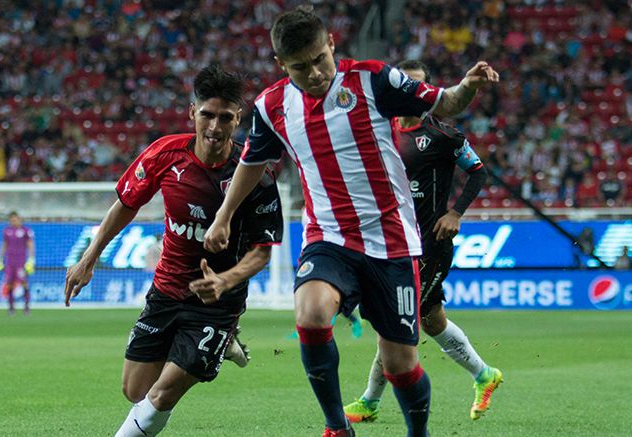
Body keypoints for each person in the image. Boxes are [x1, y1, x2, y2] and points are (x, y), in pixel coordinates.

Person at [203, 7, 499, 437]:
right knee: (310, 313)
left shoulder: (374, 78)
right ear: (281, 65)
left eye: (320, 59)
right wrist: (224, 216)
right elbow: (252, 161)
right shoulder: (271, 106)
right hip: (329, 237)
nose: (316, 73)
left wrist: (467, 86)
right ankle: (337, 427)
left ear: (332, 46)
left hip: (392, 241)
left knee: (400, 364)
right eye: (301, 67)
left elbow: (444, 101)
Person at [63, 65, 283, 437]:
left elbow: (263, 251)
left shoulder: (253, 175)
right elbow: (126, 203)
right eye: (207, 115)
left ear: (238, 118)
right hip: (166, 290)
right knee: (136, 390)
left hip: (217, 302)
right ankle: (219, 347)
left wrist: (225, 281)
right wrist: (89, 258)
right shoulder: (165, 154)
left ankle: (213, 341)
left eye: (225, 118)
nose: (214, 127)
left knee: (163, 394)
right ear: (191, 112)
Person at [343, 60, 502, 424]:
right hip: (392, 242)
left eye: (418, 86)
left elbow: (478, 172)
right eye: (405, 85)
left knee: (396, 322)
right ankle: (484, 374)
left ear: (429, 92)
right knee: (430, 320)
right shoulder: (381, 130)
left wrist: (456, 213)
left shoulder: (445, 136)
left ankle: (369, 401)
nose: (410, 93)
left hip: (430, 244)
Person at [0, 211, 35, 315]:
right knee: (9, 284)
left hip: (21, 262)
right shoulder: (7, 231)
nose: (14, 221)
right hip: (10, 262)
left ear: (19, 219)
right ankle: (11, 308)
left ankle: (26, 307)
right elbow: (4, 245)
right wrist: (0, 260)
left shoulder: (26, 230)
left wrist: (31, 259)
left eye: (15, 219)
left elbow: (30, 245)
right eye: (12, 220)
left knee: (24, 283)